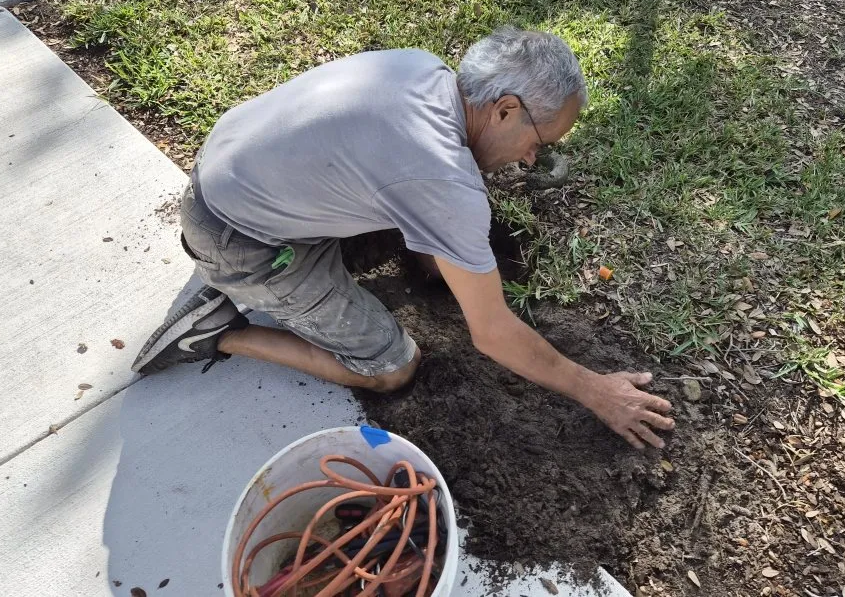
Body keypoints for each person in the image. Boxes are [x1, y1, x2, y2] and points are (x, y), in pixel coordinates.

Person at [132, 26, 675, 449]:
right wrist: (595, 390)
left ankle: (238, 281)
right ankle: (213, 331)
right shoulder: (439, 179)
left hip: (225, 180)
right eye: (540, 141)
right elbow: (492, 333)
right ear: (505, 108)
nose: (533, 159)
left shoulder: (423, 70)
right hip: (242, 240)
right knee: (393, 369)